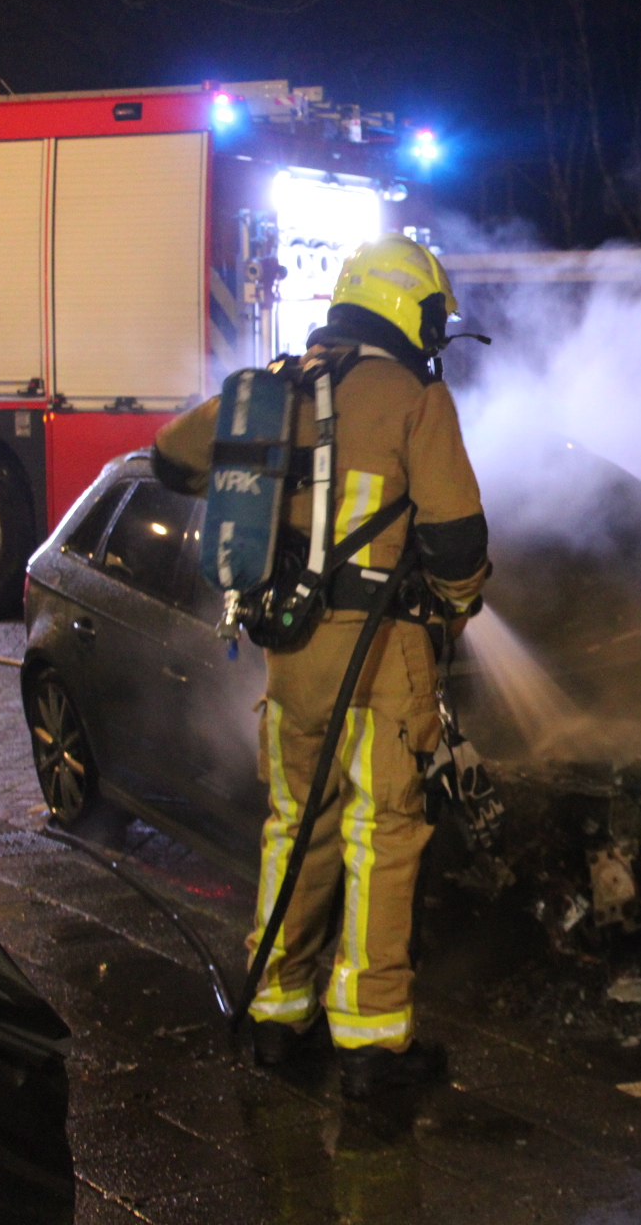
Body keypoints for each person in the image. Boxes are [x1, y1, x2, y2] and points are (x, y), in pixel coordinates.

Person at [152, 235, 489, 1099]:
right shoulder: (414, 398)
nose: (435, 334)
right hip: (383, 657)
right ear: (404, 309)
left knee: (294, 828)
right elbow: (458, 541)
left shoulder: (276, 386)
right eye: (432, 317)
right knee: (383, 838)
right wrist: (455, 606)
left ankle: (277, 1012)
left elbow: (167, 458)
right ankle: (372, 1043)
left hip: (289, 654)